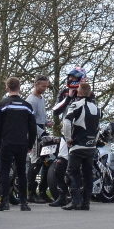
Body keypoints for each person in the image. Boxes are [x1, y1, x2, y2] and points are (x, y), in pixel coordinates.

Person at [0, 76, 37, 212]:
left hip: (6, 142)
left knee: (4, 171)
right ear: (19, 87)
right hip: (22, 143)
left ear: (7, 87)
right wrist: (30, 144)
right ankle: (24, 203)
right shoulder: (27, 106)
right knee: (21, 172)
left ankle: (4, 202)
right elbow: (32, 128)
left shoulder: (1, 105)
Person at [49, 67, 87, 207]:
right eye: (69, 77)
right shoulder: (65, 92)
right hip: (67, 134)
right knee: (59, 165)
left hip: (81, 135)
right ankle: (62, 195)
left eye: (74, 78)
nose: (70, 80)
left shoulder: (87, 91)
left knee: (78, 168)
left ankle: (80, 197)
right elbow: (56, 111)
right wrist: (69, 97)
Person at [62, 82, 101, 210]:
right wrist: (94, 141)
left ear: (78, 92)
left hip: (77, 145)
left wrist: (68, 139)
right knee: (87, 174)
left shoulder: (76, 104)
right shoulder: (96, 107)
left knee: (71, 172)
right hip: (91, 147)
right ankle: (86, 203)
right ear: (90, 93)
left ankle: (75, 201)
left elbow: (67, 122)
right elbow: (98, 127)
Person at [26, 75, 53, 204]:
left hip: (42, 131)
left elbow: (39, 117)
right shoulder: (31, 101)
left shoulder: (41, 99)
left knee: (47, 161)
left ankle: (42, 191)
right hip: (35, 134)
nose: (45, 89)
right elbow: (29, 121)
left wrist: (46, 122)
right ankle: (30, 192)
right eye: (43, 86)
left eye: (46, 87)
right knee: (35, 162)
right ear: (36, 84)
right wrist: (41, 132)